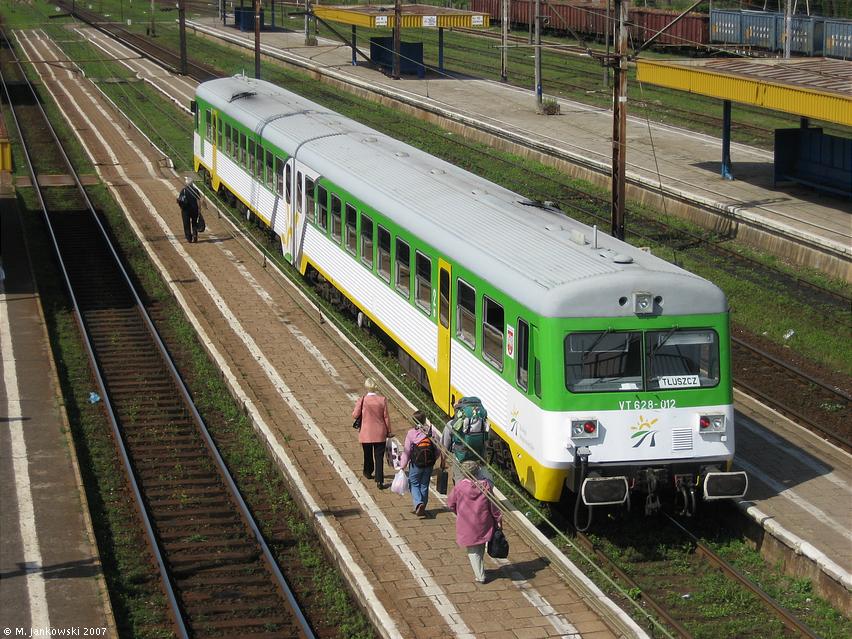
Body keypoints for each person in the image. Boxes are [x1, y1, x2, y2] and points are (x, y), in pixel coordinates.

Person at [447, 460, 502, 584]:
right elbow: (493, 505)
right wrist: (498, 518)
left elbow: (451, 503)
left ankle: (480, 576)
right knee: (480, 546)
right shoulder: (486, 486)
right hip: (484, 522)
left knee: (472, 551)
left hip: (467, 524)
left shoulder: (460, 486)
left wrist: (458, 512)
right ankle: (480, 568)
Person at [398, 410, 444, 517]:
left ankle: (419, 503)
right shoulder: (432, 432)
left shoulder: (411, 433)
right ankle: (423, 505)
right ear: (424, 420)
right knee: (424, 484)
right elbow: (438, 449)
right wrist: (433, 459)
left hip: (416, 464)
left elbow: (407, 451)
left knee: (413, 483)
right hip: (429, 464)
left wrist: (402, 466)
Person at [352, 378, 393, 489]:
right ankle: (379, 480)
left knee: (368, 454)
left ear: (366, 387)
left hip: (366, 433)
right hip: (380, 432)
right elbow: (386, 417)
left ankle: (368, 471)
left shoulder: (362, 399)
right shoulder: (382, 400)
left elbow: (355, 415)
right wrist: (389, 431)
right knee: (379, 457)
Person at [177, 177, 200, 243]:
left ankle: (189, 238)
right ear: (192, 183)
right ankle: (195, 234)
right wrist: (199, 210)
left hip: (186, 210)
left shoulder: (183, 190)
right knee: (194, 222)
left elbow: (180, 200)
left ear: (186, 183)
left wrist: (181, 207)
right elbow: (199, 200)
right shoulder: (196, 190)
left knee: (186, 223)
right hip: (194, 209)